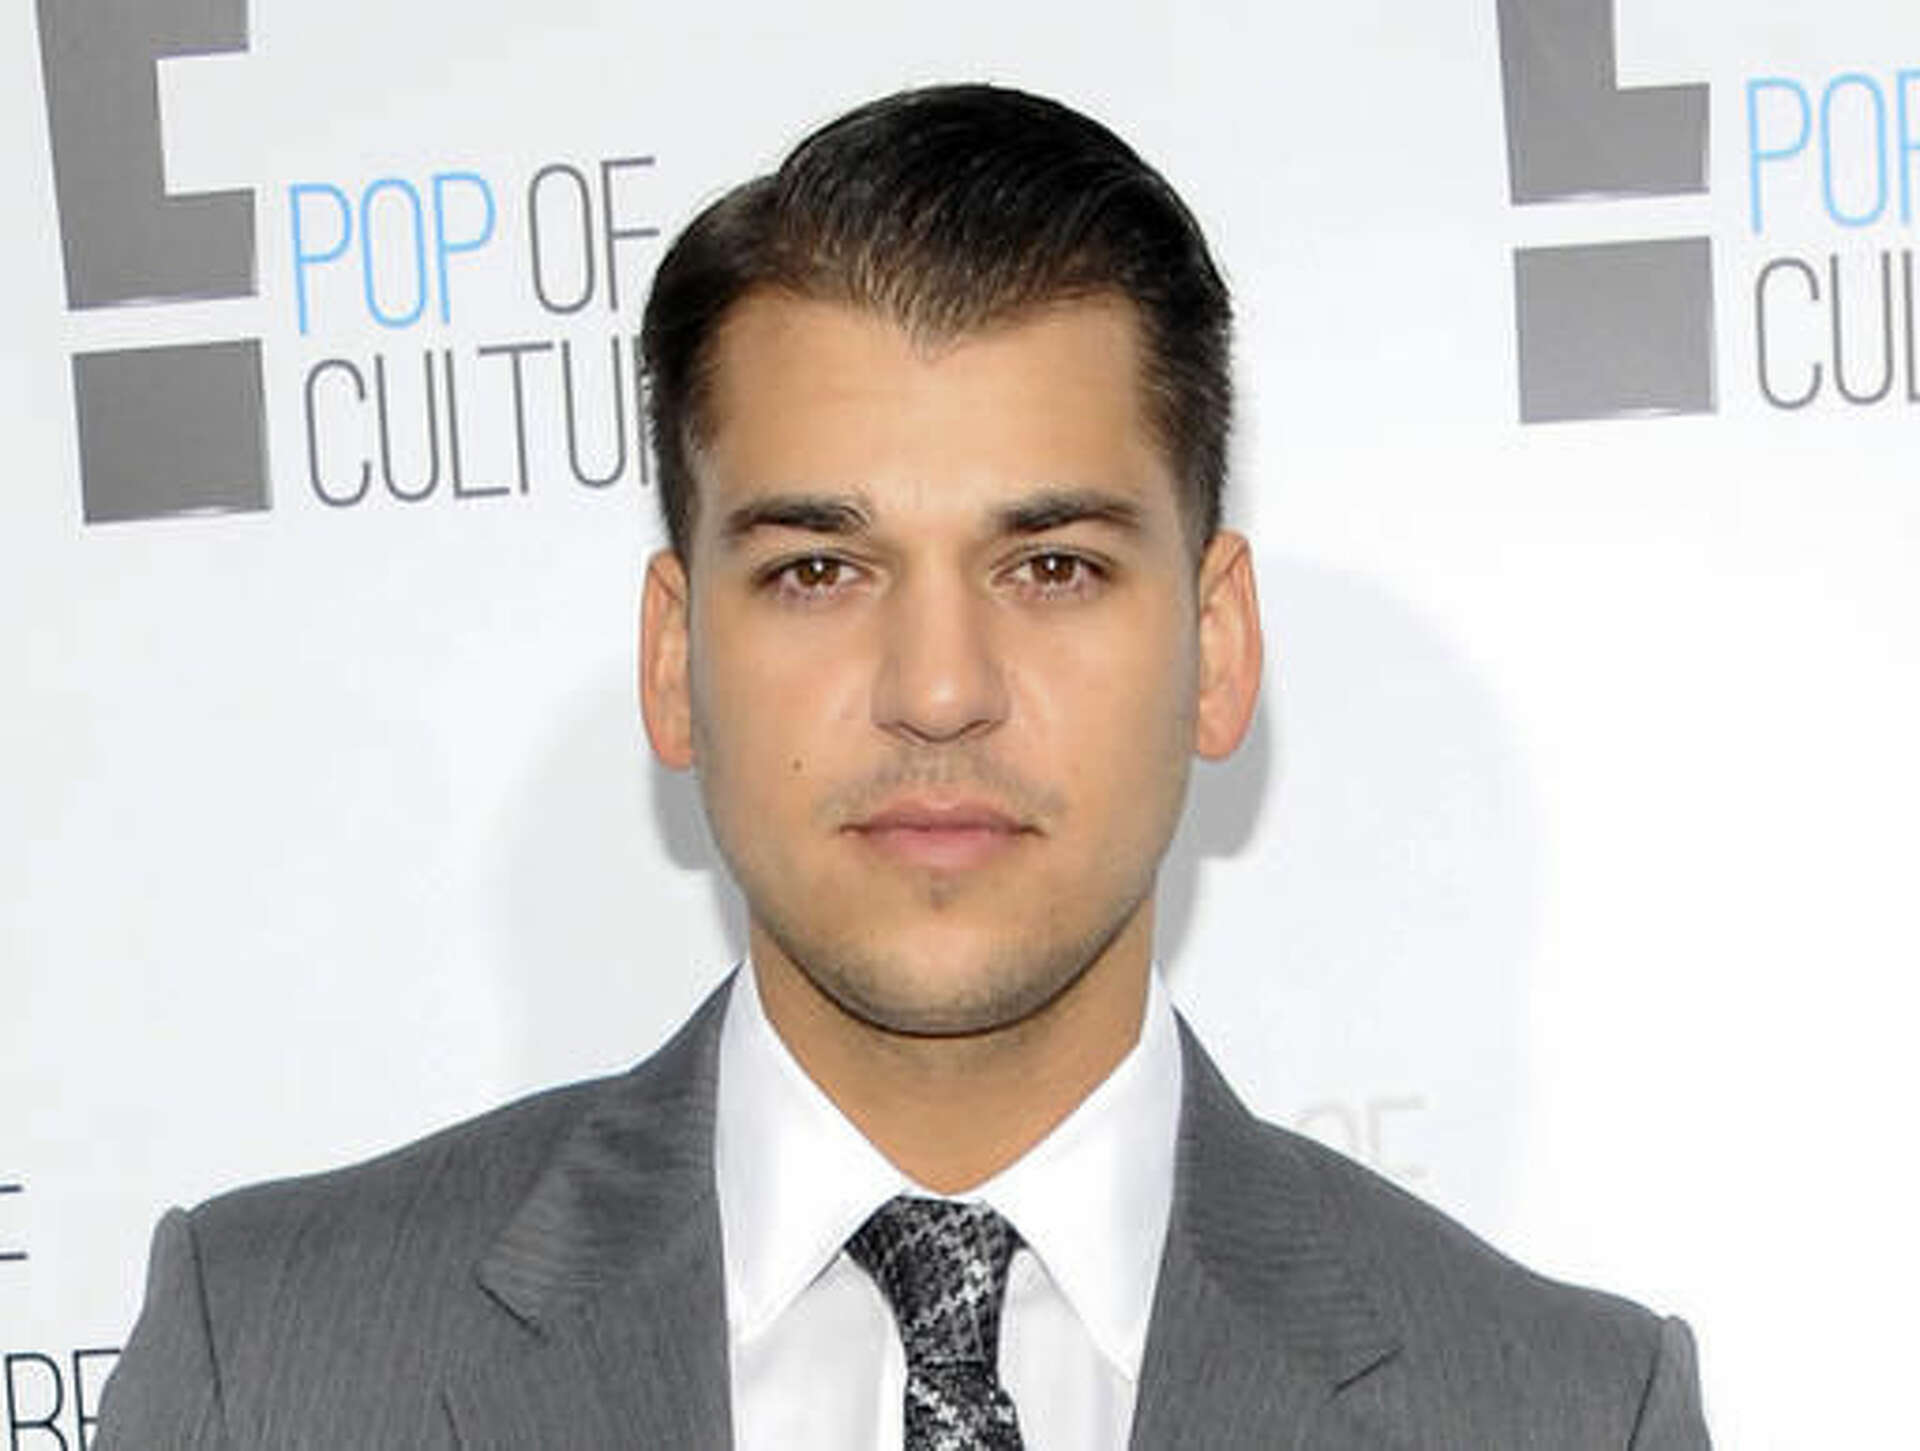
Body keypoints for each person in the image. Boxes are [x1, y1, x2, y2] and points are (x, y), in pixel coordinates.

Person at [94, 84, 1711, 1449]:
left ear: (1217, 649)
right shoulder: (277, 1368)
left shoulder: (1564, 1413)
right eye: (820, 570)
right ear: (674, 659)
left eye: (1053, 567)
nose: (939, 691)